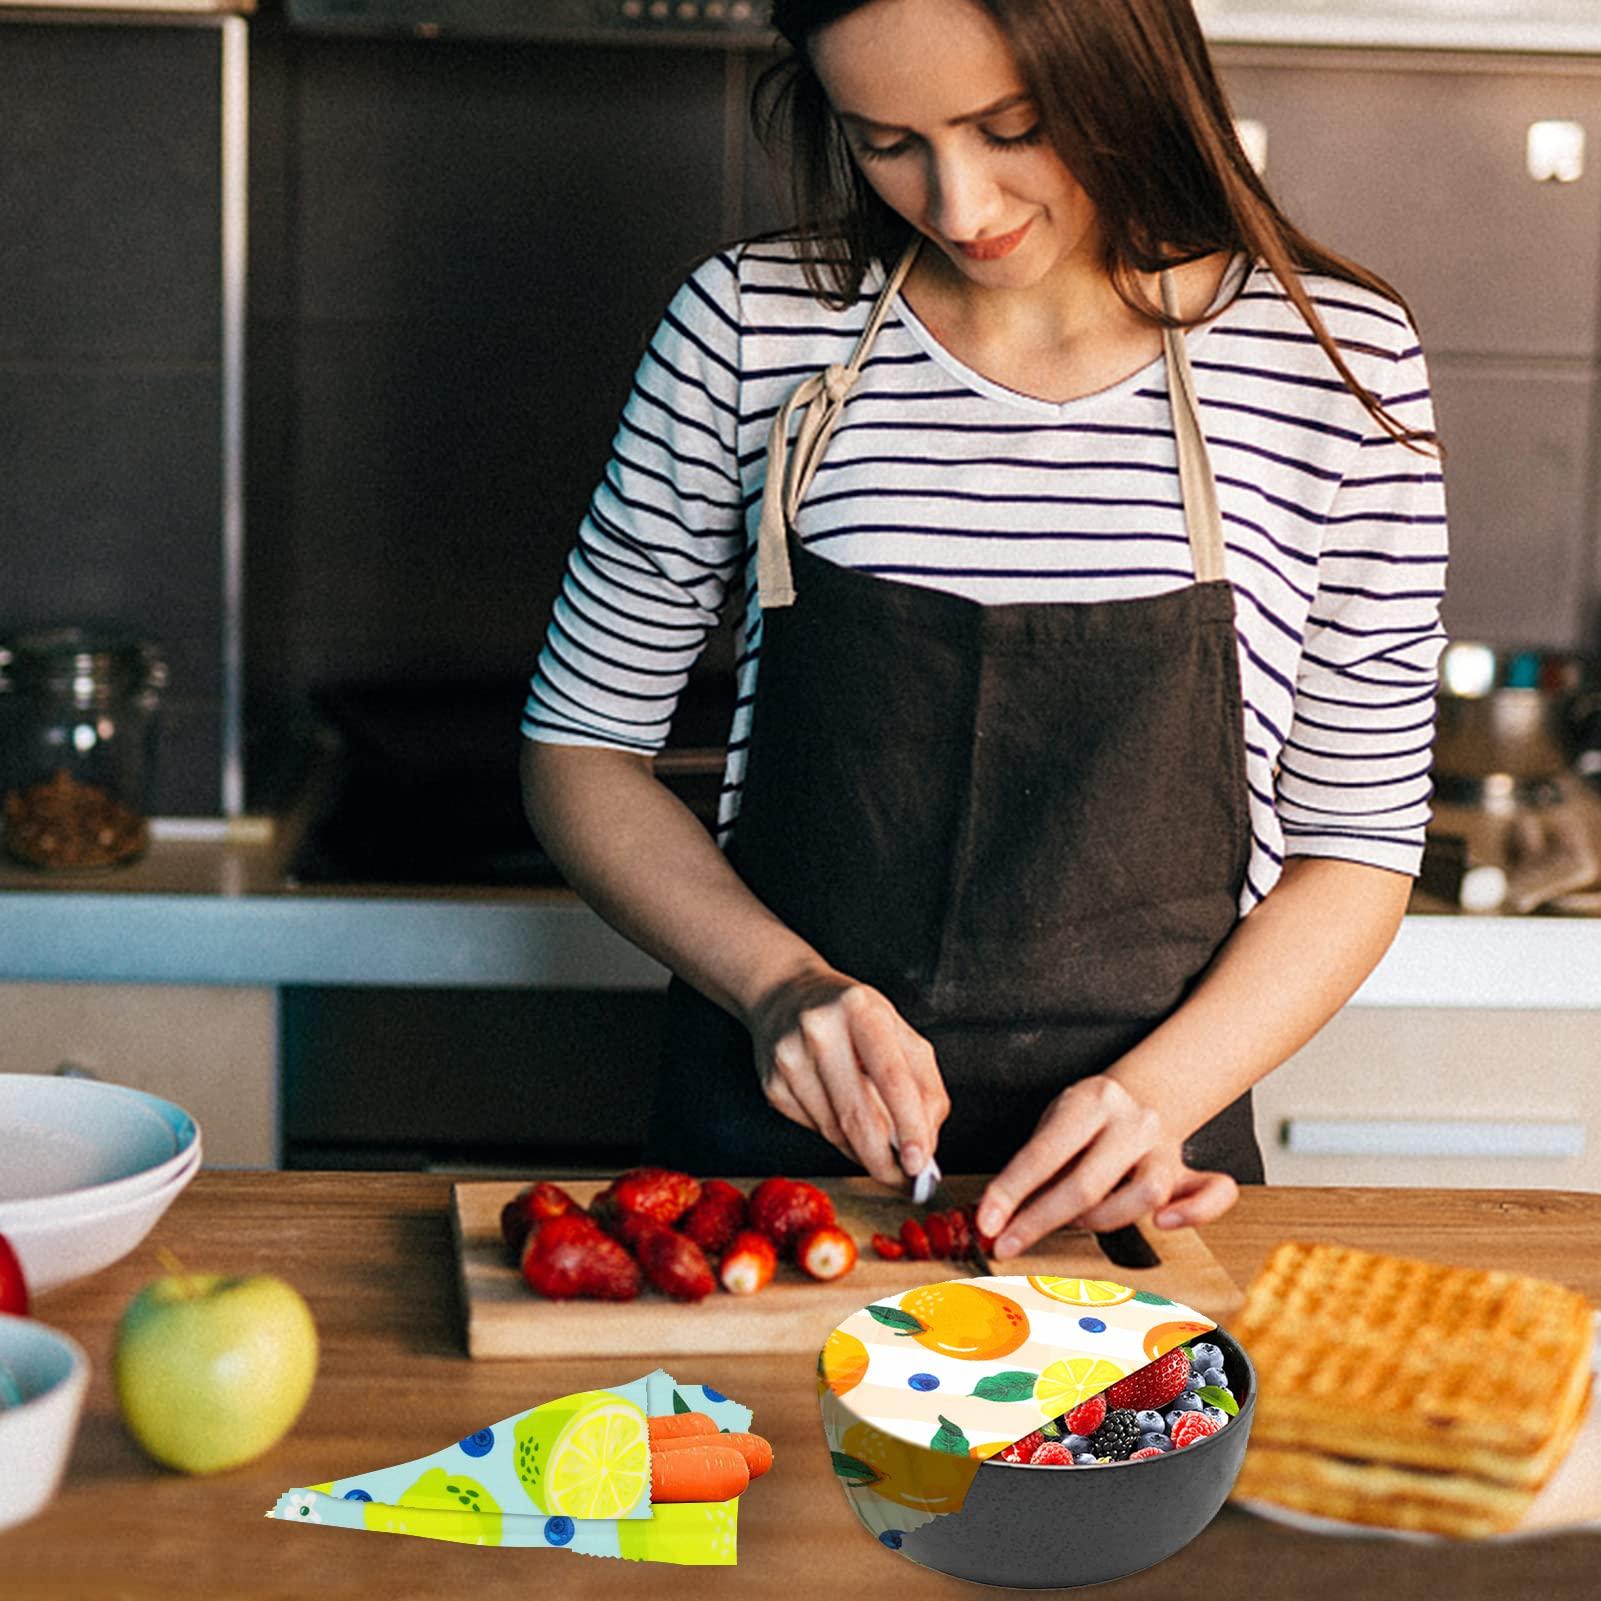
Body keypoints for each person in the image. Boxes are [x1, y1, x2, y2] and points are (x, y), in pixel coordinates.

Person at [521, 0, 1448, 1260]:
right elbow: (580, 749)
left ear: (1124, 68)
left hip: (1125, 1203)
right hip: (769, 1200)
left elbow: (1356, 841)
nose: (957, 206)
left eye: (1009, 128)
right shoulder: (747, 325)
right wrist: (780, 986)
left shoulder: (1332, 364)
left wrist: (1156, 1095)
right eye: (885, 141)